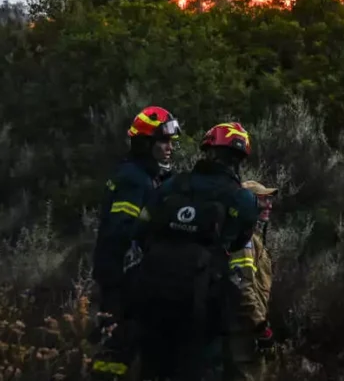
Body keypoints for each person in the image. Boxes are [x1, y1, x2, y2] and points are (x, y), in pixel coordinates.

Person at [132, 121, 261, 381]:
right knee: (201, 367)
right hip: (202, 301)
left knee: (151, 365)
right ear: (238, 160)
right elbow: (238, 241)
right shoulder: (241, 198)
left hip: (151, 291)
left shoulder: (172, 185)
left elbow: (141, 228)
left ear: (208, 152)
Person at [90, 105, 181, 380]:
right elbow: (121, 231)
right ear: (146, 143)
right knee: (115, 350)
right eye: (163, 141)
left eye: (171, 142)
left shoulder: (145, 175)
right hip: (122, 280)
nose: (169, 148)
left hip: (132, 279)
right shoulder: (133, 179)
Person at [224, 180, 278, 380]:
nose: (268, 205)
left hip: (249, 330)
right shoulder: (244, 240)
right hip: (244, 335)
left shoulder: (252, 238)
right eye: (263, 199)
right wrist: (261, 328)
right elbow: (243, 287)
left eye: (269, 199)